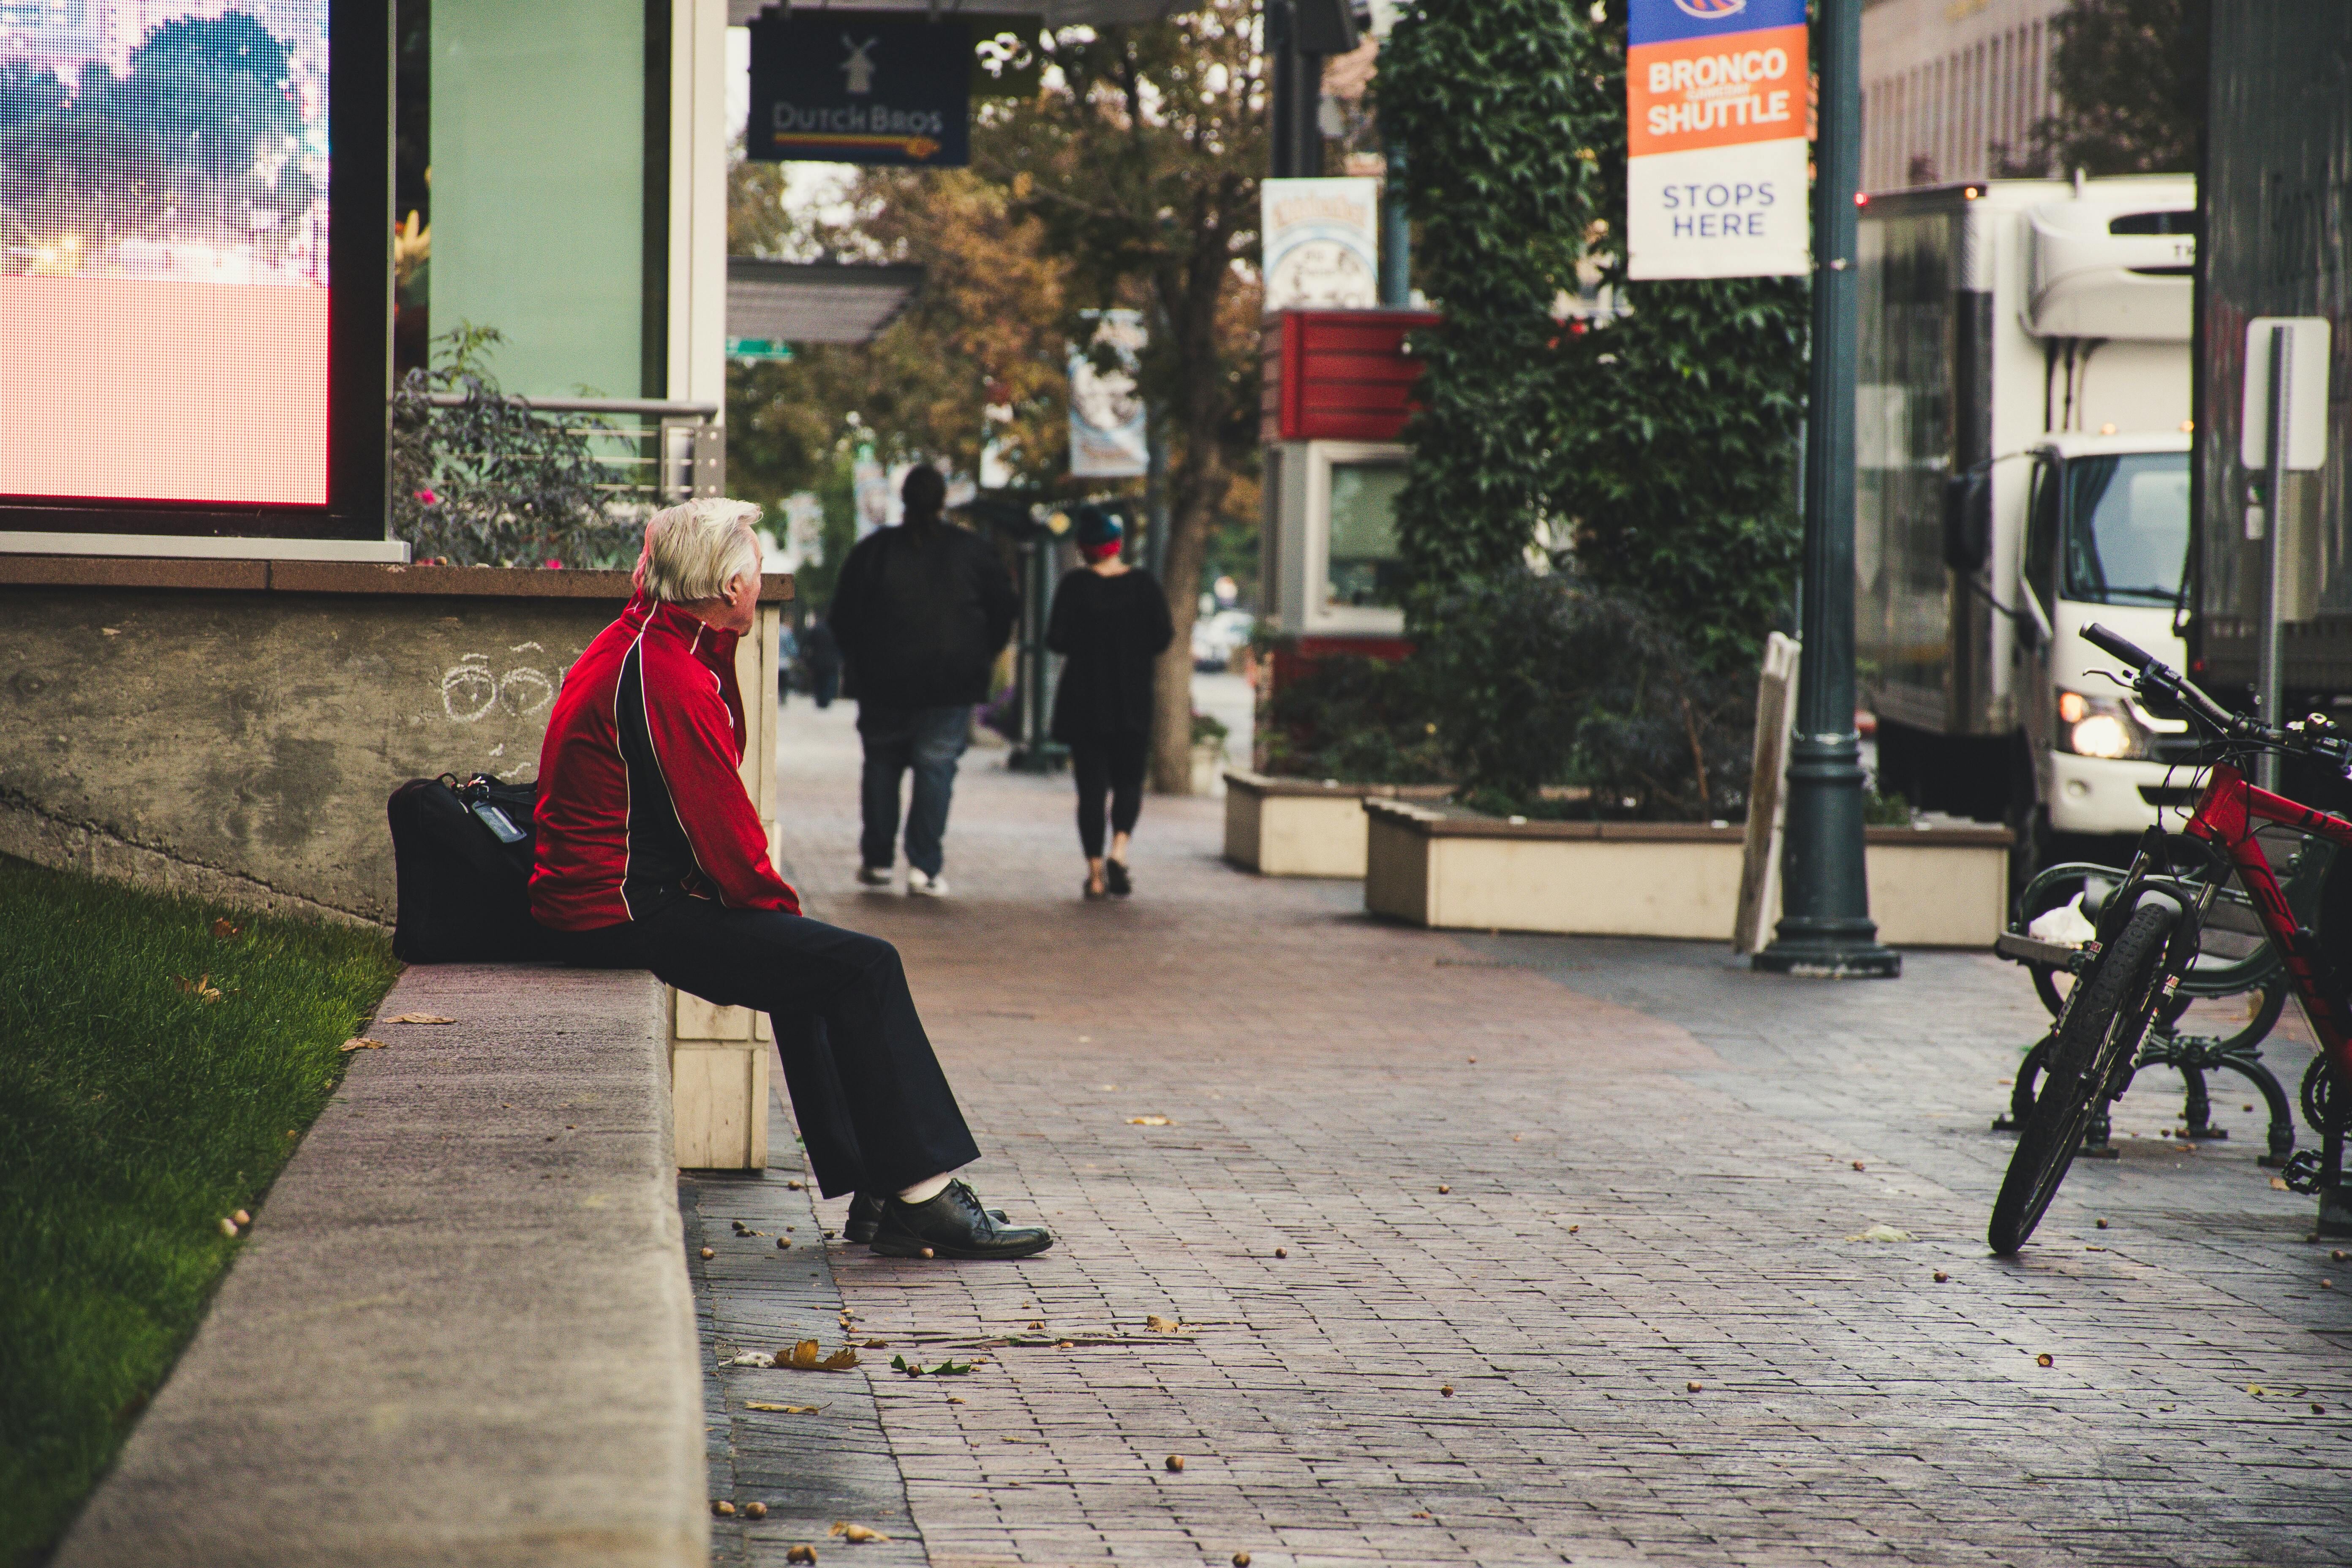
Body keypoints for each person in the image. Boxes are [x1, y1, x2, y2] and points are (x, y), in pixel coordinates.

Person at [529, 497, 1051, 1260]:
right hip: (619, 908)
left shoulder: (658, 642)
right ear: (732, 586)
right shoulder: (664, 671)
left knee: (813, 965)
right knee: (859, 964)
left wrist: (784, 928)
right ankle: (923, 1197)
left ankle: (882, 1193)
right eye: (754, 567)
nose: (762, 578)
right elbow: (722, 828)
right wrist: (781, 916)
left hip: (617, 894)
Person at [827, 466, 1017, 898]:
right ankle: (924, 866)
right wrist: (980, 654)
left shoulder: (873, 552)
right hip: (950, 681)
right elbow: (1003, 610)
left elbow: (843, 616)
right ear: (942, 501)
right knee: (936, 768)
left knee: (881, 766)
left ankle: (877, 860)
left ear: (905, 500)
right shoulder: (973, 553)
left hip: (882, 682)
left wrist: (862, 658)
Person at [1047, 506, 1174, 900]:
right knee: (1129, 782)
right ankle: (1120, 849)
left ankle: (1096, 874)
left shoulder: (1074, 586)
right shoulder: (1145, 586)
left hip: (1085, 704)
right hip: (1133, 701)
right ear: (1118, 546)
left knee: (1091, 790)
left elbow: (1056, 640)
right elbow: (1163, 638)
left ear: (1085, 550)